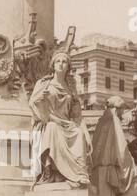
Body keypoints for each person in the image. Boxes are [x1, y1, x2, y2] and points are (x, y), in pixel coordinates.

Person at [29, 50, 91, 185]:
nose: (61, 64)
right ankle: (48, 170)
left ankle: (80, 174)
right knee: (52, 128)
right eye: (58, 61)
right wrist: (41, 99)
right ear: (53, 65)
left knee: (79, 134)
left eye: (64, 62)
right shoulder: (44, 83)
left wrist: (86, 132)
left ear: (68, 67)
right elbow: (33, 105)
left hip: (67, 125)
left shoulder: (71, 88)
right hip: (49, 122)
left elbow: (77, 115)